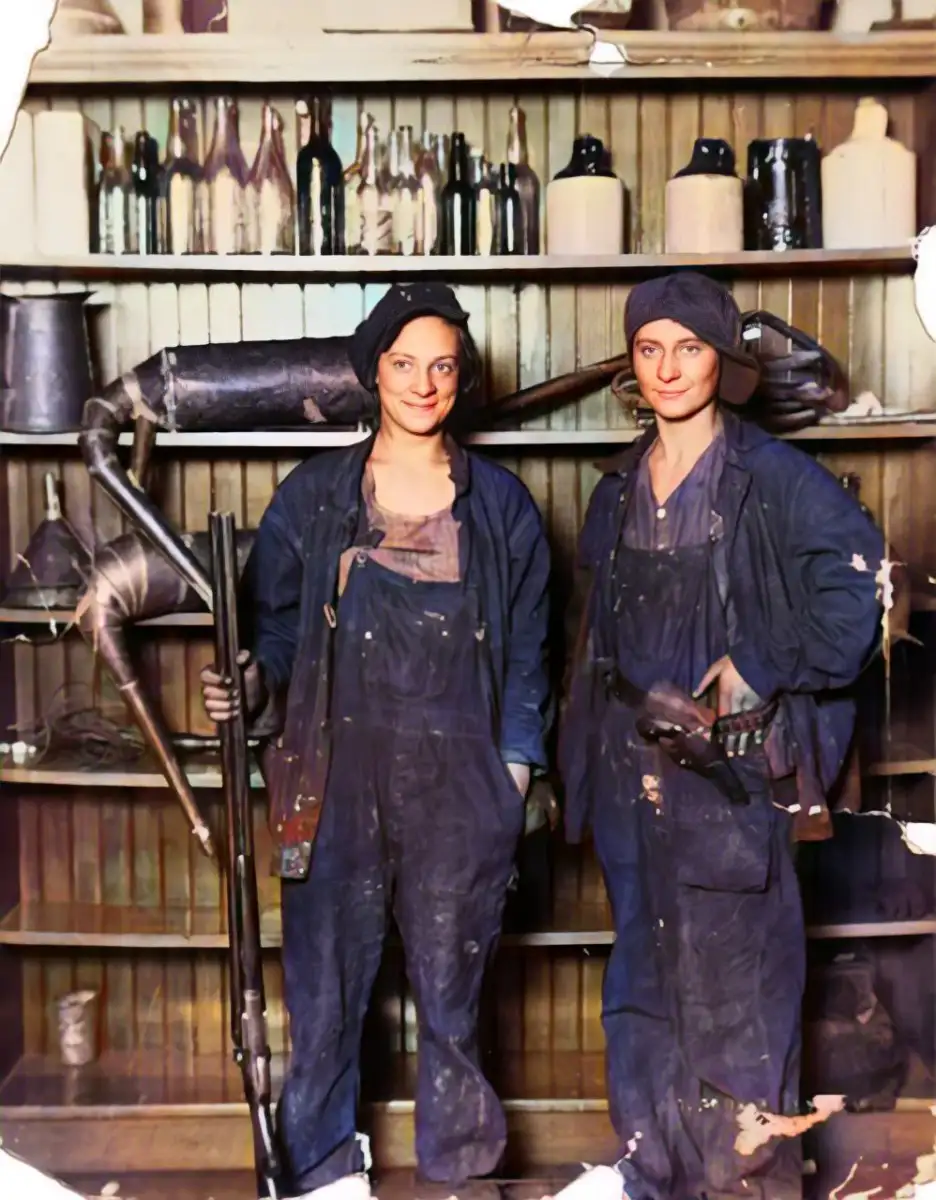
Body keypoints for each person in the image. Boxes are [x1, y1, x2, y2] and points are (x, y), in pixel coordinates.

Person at [201, 282, 552, 1200]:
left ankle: (464, 1172)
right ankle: (321, 1175)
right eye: (404, 364)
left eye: (442, 366)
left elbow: (529, 662)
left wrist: (510, 779)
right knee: (323, 1003)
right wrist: (251, 683)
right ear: (373, 374)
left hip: (460, 790)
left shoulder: (503, 509)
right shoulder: (314, 499)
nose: (423, 384)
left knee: (454, 1008)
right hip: (333, 777)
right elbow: (273, 634)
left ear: (461, 378)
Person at [559, 272, 884, 1200]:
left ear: (724, 359)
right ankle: (650, 1175)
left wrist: (762, 663)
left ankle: (751, 1186)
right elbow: (592, 648)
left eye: (689, 347)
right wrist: (575, 777)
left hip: (732, 781)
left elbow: (862, 596)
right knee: (644, 993)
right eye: (649, 348)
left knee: (741, 999)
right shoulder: (616, 490)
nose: (667, 368)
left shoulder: (775, 481)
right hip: (633, 780)